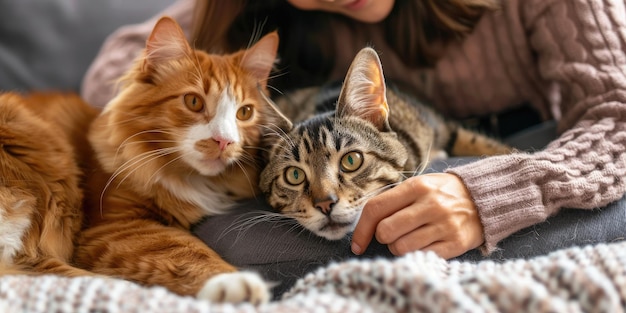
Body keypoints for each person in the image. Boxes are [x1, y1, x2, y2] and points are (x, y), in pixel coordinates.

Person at [82, 0, 626, 297]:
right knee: (235, 240)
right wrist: (190, 121)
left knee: (611, 202)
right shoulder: (268, 13)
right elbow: (119, 63)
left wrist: (487, 196)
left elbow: (618, 116)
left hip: (533, 155)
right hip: (341, 174)